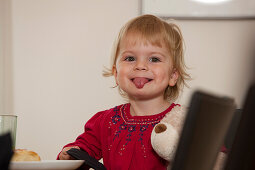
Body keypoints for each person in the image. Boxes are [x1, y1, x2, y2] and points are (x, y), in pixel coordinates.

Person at [58, 14, 190, 170]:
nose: (140, 66)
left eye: (154, 59)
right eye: (130, 58)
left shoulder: (183, 121)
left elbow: (214, 153)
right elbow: (82, 148)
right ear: (116, 74)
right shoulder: (105, 122)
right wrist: (72, 153)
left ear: (173, 76)